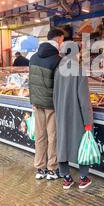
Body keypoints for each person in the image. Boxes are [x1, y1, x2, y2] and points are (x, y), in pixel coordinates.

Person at [53, 54, 94, 189]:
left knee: (62, 143)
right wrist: (88, 121)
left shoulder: (58, 71)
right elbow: (84, 100)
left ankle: (66, 177)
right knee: (83, 143)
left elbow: (55, 95)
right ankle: (83, 177)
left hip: (61, 113)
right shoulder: (80, 71)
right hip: (77, 114)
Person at [29, 28, 65, 180]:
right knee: (53, 136)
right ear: (58, 40)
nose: (62, 44)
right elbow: (61, 84)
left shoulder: (33, 58)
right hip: (51, 104)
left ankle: (40, 168)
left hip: (36, 103)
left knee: (40, 136)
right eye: (62, 40)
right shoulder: (58, 60)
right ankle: (52, 168)